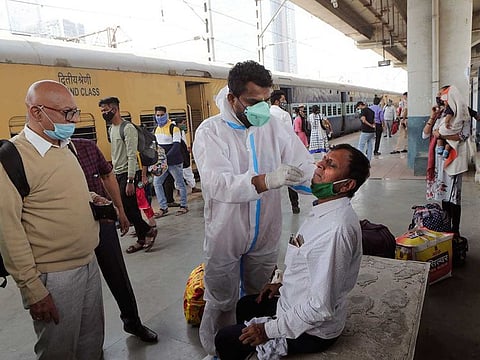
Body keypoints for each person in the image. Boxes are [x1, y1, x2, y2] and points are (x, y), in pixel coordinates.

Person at [192, 60, 315, 357]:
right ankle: (218, 349)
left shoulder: (272, 127)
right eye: (252, 102)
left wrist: (324, 184)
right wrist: (265, 180)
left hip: (266, 230)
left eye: (265, 100)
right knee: (220, 298)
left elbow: (303, 163)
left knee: (257, 294)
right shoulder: (211, 132)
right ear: (232, 98)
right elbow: (216, 184)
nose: (261, 108)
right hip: (226, 231)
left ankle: (250, 345)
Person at [215, 144, 370, 360]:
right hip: (294, 301)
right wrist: (283, 283)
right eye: (324, 159)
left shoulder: (336, 229)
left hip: (313, 330)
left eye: (331, 165)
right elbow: (308, 261)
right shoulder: (324, 209)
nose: (320, 164)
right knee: (246, 305)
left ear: (347, 185)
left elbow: (320, 307)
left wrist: (266, 331)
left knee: (224, 339)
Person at [0, 80, 104, 359]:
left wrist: (92, 198)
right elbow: (8, 233)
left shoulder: (62, 145)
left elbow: (55, 194)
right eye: (67, 113)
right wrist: (33, 290)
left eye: (75, 112)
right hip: (54, 277)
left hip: (88, 264)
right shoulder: (12, 159)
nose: (74, 120)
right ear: (36, 112)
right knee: (58, 351)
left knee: (91, 345)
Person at [72, 138, 158, 342]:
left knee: (117, 274)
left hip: (103, 222)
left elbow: (107, 174)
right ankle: (86, 340)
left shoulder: (87, 148)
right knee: (79, 285)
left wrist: (119, 209)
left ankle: (133, 323)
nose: (70, 120)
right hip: (71, 230)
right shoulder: (44, 157)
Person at [98, 97, 157, 254]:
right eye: (102, 111)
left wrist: (131, 180)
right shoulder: (112, 128)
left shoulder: (128, 128)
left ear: (115, 109)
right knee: (131, 209)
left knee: (128, 208)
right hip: (118, 172)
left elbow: (132, 154)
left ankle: (149, 230)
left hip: (129, 174)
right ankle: (142, 238)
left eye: (105, 110)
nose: (103, 113)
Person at [423, 85, 471, 237]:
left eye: (442, 97)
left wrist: (441, 136)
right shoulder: (440, 114)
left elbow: (463, 136)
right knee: (443, 196)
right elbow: (425, 135)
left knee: (454, 198)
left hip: (454, 160)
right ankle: (446, 228)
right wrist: (433, 116)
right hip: (439, 162)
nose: (440, 100)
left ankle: (455, 231)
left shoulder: (464, 115)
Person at [152, 105, 189, 217]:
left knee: (179, 183)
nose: (159, 117)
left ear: (166, 115)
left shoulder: (174, 128)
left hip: (174, 162)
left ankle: (184, 205)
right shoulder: (156, 129)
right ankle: (163, 207)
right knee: (157, 183)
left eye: (162, 115)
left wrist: (165, 158)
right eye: (157, 115)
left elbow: (176, 145)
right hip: (162, 163)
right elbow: (156, 145)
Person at [270, 89, 301, 214]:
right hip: (283, 151)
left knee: (270, 180)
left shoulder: (265, 113)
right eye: (283, 100)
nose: (285, 102)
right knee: (289, 177)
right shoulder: (284, 115)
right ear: (277, 101)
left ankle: (271, 208)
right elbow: (290, 135)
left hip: (269, 152)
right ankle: (295, 205)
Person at [173, 117, 202, 194]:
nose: (184, 125)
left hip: (184, 153)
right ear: (179, 123)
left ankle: (192, 186)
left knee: (185, 171)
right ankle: (180, 189)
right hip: (180, 155)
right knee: (181, 172)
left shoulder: (181, 131)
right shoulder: (175, 131)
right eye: (183, 123)